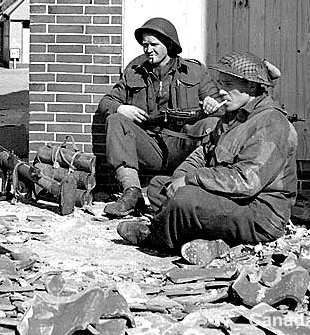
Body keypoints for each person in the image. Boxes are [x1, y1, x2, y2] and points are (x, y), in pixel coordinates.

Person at [116, 51, 298, 258]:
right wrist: (179, 178)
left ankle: (158, 237)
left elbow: (246, 182)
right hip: (236, 200)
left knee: (184, 199)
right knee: (160, 187)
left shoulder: (271, 123)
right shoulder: (234, 117)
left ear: (252, 87)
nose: (221, 91)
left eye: (228, 85)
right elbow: (204, 152)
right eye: (220, 83)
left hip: (260, 214)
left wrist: (190, 180)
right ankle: (203, 238)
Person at [97, 17, 225, 218]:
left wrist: (211, 103)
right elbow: (106, 103)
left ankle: (204, 191)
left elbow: (222, 107)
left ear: (169, 44)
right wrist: (121, 108)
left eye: (154, 45)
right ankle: (132, 193)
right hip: (151, 146)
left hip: (185, 146)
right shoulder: (134, 72)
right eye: (145, 45)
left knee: (212, 124)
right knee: (115, 120)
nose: (148, 50)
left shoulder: (195, 71)